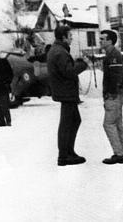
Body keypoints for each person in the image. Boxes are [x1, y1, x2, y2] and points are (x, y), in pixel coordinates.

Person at [47, 25, 89, 166]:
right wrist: (82, 64)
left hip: (65, 92)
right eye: (70, 35)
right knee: (67, 124)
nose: (72, 38)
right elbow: (69, 72)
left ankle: (68, 153)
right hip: (66, 93)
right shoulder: (60, 52)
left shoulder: (58, 50)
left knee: (74, 121)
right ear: (63, 37)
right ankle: (64, 156)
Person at [100, 30, 123, 165]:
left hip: (114, 94)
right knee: (117, 124)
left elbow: (116, 76)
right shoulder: (112, 55)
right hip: (116, 93)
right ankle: (122, 153)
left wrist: (110, 94)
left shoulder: (113, 56)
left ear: (110, 41)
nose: (100, 41)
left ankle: (119, 153)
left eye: (103, 39)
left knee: (109, 124)